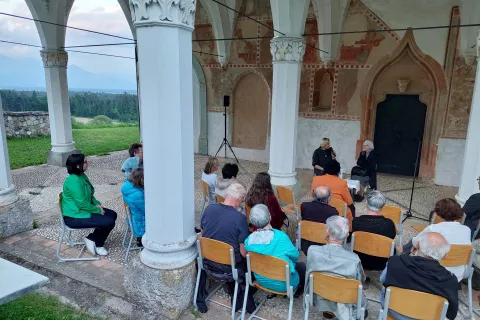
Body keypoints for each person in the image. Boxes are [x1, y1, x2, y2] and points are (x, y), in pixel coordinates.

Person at [198, 183, 255, 314]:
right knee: (250, 263)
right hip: (228, 267)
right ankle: (245, 300)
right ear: (240, 198)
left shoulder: (209, 208)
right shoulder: (240, 218)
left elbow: (203, 234)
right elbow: (242, 252)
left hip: (206, 261)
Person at [381, 232, 458, 320]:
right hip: (427, 318)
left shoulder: (395, 261)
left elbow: (383, 280)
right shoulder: (450, 280)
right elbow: (451, 312)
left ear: (417, 245)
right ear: (445, 255)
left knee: (386, 289)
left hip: (394, 313)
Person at [306, 216, 367, 320]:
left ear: (328, 232)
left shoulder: (312, 251)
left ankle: (329, 310)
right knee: (362, 303)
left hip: (319, 298)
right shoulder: (354, 259)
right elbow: (360, 282)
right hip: (343, 301)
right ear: (347, 235)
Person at [61, 153, 117, 256]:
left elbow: (90, 195)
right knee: (109, 222)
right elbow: (82, 204)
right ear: (78, 166)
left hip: (83, 210)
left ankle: (91, 238)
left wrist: (97, 204)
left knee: (112, 214)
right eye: (85, 162)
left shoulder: (81, 175)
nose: (88, 163)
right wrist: (98, 210)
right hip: (74, 216)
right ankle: (99, 245)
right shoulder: (74, 181)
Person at [244, 204, 305, 295]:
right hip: (285, 284)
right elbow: (295, 256)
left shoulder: (248, 241)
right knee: (302, 266)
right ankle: (298, 291)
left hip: (261, 279)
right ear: (270, 217)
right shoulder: (281, 237)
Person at [352, 190, 395, 271]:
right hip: (381, 261)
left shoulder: (356, 221)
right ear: (382, 206)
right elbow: (391, 237)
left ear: (366, 204)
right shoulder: (389, 224)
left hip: (360, 258)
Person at [311, 160, 355, 228]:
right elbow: (349, 202)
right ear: (338, 170)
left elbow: (313, 195)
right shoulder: (342, 182)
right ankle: (350, 230)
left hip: (320, 209)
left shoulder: (316, 179)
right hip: (338, 213)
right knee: (352, 207)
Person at [300, 186, 339, 255]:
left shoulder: (304, 206)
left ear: (313, 196)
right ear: (329, 198)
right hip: (324, 243)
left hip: (306, 242)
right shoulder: (333, 212)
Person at [121, 168, 145, 248]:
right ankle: (140, 240)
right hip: (141, 223)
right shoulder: (137, 194)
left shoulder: (128, 185)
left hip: (134, 218)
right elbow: (146, 211)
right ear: (140, 179)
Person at [463, 176, 480, 240]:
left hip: (471, 235)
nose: (478, 182)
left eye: (479, 180)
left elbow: (462, 213)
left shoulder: (476, 198)